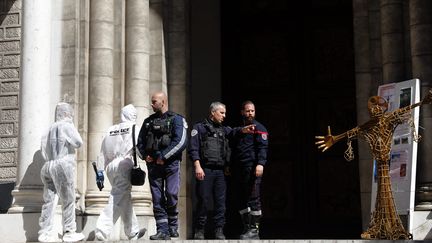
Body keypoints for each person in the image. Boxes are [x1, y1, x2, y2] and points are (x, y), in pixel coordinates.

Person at [315, 90, 432, 240]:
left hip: (384, 163)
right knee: (382, 193)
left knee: (385, 192)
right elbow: (349, 133)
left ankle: (389, 226)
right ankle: (380, 225)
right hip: (381, 164)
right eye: (373, 108)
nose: (376, 110)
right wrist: (334, 139)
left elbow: (406, 109)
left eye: (379, 107)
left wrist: (423, 102)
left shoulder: (388, 119)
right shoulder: (368, 126)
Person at [137, 91, 188, 240]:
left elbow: (181, 141)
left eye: (154, 101)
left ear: (163, 102)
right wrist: (144, 156)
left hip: (170, 164)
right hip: (153, 165)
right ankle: (162, 230)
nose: (151, 104)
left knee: (171, 194)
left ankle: (173, 225)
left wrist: (163, 156)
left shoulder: (177, 119)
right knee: (157, 197)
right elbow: (139, 143)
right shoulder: (148, 122)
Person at [94, 104, 146, 241]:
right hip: (125, 164)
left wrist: (100, 171)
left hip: (110, 166)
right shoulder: (135, 128)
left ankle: (133, 232)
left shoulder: (110, 130)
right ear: (133, 116)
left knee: (124, 196)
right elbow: (141, 148)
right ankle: (102, 230)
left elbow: (102, 153)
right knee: (117, 197)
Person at [38, 102, 85, 242]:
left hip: (47, 165)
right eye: (70, 113)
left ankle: (44, 232)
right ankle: (69, 232)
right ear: (66, 113)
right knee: (68, 199)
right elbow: (78, 142)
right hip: (63, 164)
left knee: (49, 200)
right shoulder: (67, 125)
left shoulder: (49, 129)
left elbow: (43, 149)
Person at [188, 102, 231, 240]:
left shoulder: (224, 130)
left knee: (220, 202)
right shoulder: (199, 128)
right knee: (203, 200)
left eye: (225, 113)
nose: (224, 116)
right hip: (205, 170)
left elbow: (235, 133)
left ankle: (219, 230)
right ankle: (200, 230)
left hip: (220, 172)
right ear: (213, 113)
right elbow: (193, 149)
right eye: (222, 113)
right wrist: (197, 166)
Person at [230, 100, 269, 240]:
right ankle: (247, 227)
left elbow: (263, 148)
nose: (250, 113)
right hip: (239, 169)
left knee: (254, 198)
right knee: (241, 198)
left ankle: (255, 230)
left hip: (252, 168)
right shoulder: (239, 129)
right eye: (247, 110)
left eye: (252, 110)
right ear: (242, 112)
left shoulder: (260, 128)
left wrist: (261, 164)